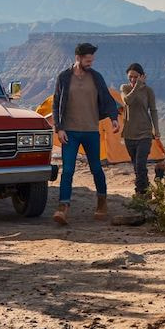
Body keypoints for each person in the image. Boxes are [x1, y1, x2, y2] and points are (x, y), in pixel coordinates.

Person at [51, 42, 120, 225]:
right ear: (78, 58)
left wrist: (114, 118)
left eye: (92, 60)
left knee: (96, 168)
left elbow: (107, 98)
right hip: (70, 132)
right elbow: (56, 103)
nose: (90, 63)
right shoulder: (64, 77)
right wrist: (59, 128)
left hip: (90, 130)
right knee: (68, 170)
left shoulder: (96, 77)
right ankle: (63, 207)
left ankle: (102, 202)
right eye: (87, 60)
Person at [120, 63, 160, 196]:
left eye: (135, 77)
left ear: (142, 76)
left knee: (141, 164)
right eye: (130, 77)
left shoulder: (149, 91)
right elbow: (127, 101)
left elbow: (153, 110)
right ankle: (146, 189)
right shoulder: (125, 88)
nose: (132, 80)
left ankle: (140, 192)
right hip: (129, 134)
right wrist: (137, 86)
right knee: (136, 166)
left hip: (145, 133)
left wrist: (157, 130)